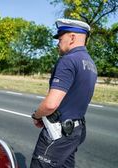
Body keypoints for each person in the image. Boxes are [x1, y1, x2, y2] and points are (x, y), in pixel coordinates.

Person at [30, 18, 97, 168]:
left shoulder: (68, 60)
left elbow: (51, 104)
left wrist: (37, 115)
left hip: (58, 132)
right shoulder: (90, 63)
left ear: (72, 38)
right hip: (76, 130)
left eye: (60, 38)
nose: (58, 43)